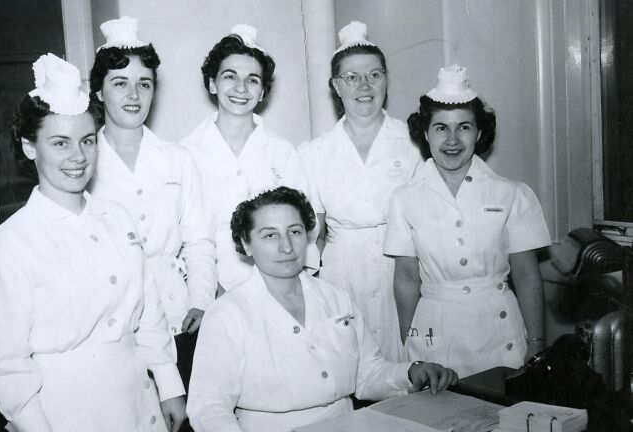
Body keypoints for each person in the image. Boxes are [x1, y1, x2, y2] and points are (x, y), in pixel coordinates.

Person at [0, 54, 186, 432]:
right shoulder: (13, 242)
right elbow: (8, 362)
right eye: (60, 143)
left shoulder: (118, 218)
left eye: (88, 141)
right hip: (67, 427)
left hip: (137, 408)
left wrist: (169, 386)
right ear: (29, 147)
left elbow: (148, 315)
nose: (78, 157)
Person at [186, 187, 457, 432]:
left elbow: (366, 373)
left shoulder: (335, 296)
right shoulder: (227, 314)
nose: (286, 246)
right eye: (270, 235)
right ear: (246, 244)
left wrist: (410, 372)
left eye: (295, 231)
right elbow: (209, 408)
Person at [384, 65, 551, 378]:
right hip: (435, 334)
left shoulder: (512, 194)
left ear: (479, 132)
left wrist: (537, 341)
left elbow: (527, 275)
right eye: (441, 128)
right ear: (425, 132)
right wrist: (411, 344)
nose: (452, 139)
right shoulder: (404, 199)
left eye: (463, 127)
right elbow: (406, 279)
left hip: (500, 333)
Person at [299, 21, 423, 363]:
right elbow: (314, 235)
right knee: (347, 365)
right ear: (336, 86)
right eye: (352, 77)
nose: (364, 86)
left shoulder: (413, 143)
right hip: (341, 272)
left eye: (374, 75)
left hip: (401, 271)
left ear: (386, 79)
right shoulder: (314, 152)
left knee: (407, 364)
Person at [89, 17, 216, 336]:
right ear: (99, 92)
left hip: (177, 311)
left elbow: (199, 240)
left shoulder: (178, 160)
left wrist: (200, 300)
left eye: (144, 84)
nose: (134, 94)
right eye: (120, 83)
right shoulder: (83, 164)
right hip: (111, 314)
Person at [181, 25, 316, 292]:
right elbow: (184, 237)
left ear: (263, 91)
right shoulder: (186, 152)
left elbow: (302, 228)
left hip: (276, 286)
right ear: (212, 83)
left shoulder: (282, 151)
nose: (241, 88)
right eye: (230, 76)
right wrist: (209, 290)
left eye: (253, 79)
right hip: (209, 286)